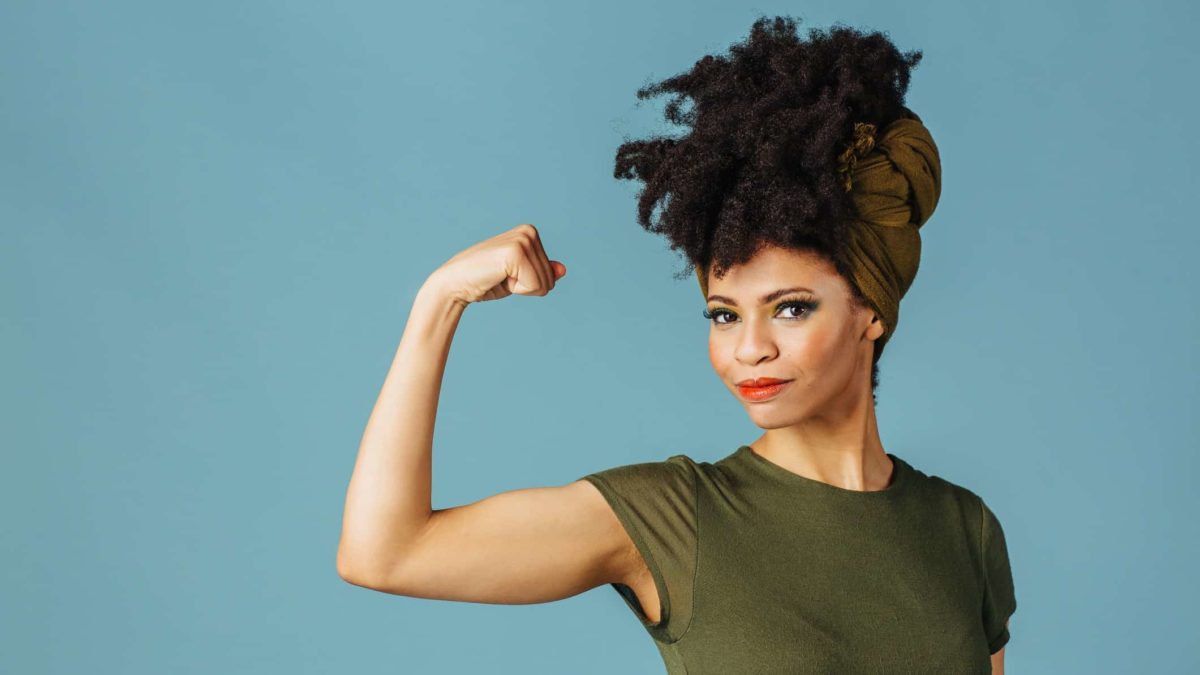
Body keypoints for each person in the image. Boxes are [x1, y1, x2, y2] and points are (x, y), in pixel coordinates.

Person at [337, 15, 1017, 674]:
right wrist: (439, 301)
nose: (749, 348)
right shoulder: (677, 518)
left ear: (869, 311)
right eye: (724, 315)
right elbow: (385, 552)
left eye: (790, 308)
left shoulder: (964, 529)